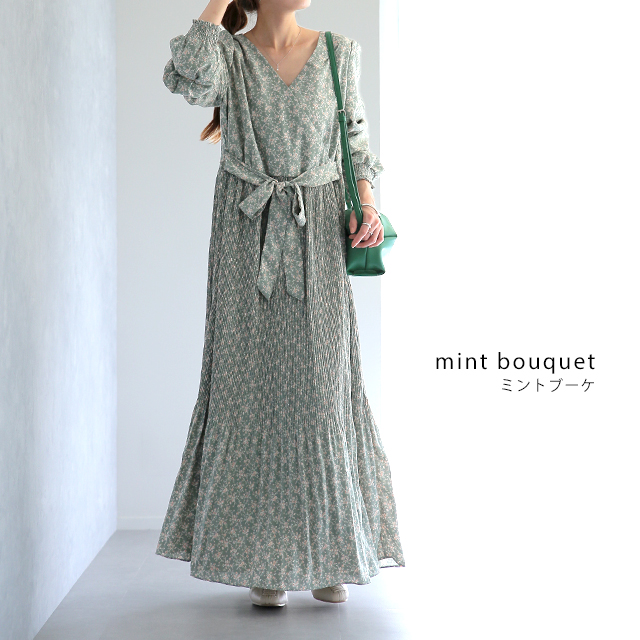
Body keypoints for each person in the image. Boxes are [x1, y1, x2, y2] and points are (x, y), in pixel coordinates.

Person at [155, 0, 405, 608]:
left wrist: (369, 205)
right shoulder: (228, 55)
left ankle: (330, 555)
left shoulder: (340, 52)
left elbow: (355, 141)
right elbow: (185, 77)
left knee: (322, 393)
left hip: (318, 229)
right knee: (251, 391)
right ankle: (260, 561)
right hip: (247, 231)